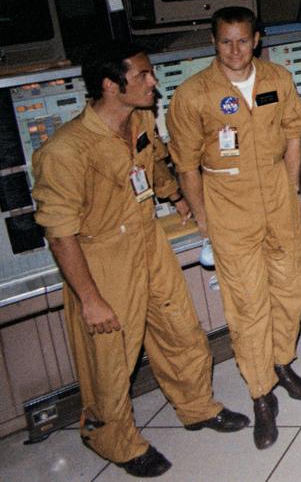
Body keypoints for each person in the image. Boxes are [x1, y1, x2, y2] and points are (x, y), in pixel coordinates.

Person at [32, 43, 248, 477]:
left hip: (149, 241)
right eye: (144, 76)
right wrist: (90, 299)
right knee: (111, 359)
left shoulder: (141, 121)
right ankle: (110, 437)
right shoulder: (66, 152)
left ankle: (197, 407)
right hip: (100, 256)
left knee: (181, 331)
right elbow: (60, 236)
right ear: (112, 86)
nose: (154, 83)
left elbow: (156, 165)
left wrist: (177, 196)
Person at [167, 7, 301, 450]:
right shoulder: (193, 94)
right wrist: (205, 219)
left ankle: (282, 362)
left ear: (257, 40)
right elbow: (187, 166)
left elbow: (293, 135)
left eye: (243, 41)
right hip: (230, 206)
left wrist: (289, 189)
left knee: (290, 291)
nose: (235, 50)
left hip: (277, 198)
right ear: (214, 42)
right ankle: (260, 393)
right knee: (248, 305)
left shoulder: (277, 79)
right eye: (226, 41)